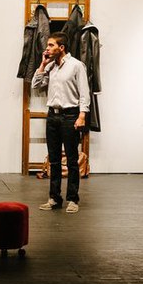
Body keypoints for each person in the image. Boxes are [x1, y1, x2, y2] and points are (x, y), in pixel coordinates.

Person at [31, 31, 90, 213]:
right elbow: (35, 85)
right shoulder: (50, 67)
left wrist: (82, 115)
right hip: (52, 116)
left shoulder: (76, 66)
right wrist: (42, 64)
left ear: (61, 47)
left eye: (51, 45)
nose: (47, 48)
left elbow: (84, 93)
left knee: (72, 160)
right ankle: (54, 198)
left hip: (70, 115)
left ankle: (72, 199)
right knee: (54, 159)